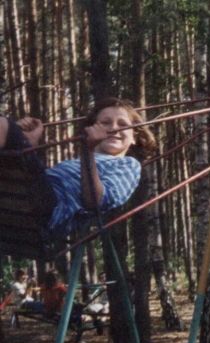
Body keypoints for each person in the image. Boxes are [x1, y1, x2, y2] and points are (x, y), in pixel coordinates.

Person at [0, 98, 156, 239]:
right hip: (17, 198)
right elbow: (36, 179)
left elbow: (95, 202)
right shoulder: (76, 161)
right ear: (92, 129)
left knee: (4, 125)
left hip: (49, 211)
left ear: (134, 137)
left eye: (123, 124)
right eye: (106, 123)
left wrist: (87, 151)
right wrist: (28, 144)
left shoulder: (128, 165)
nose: (114, 128)